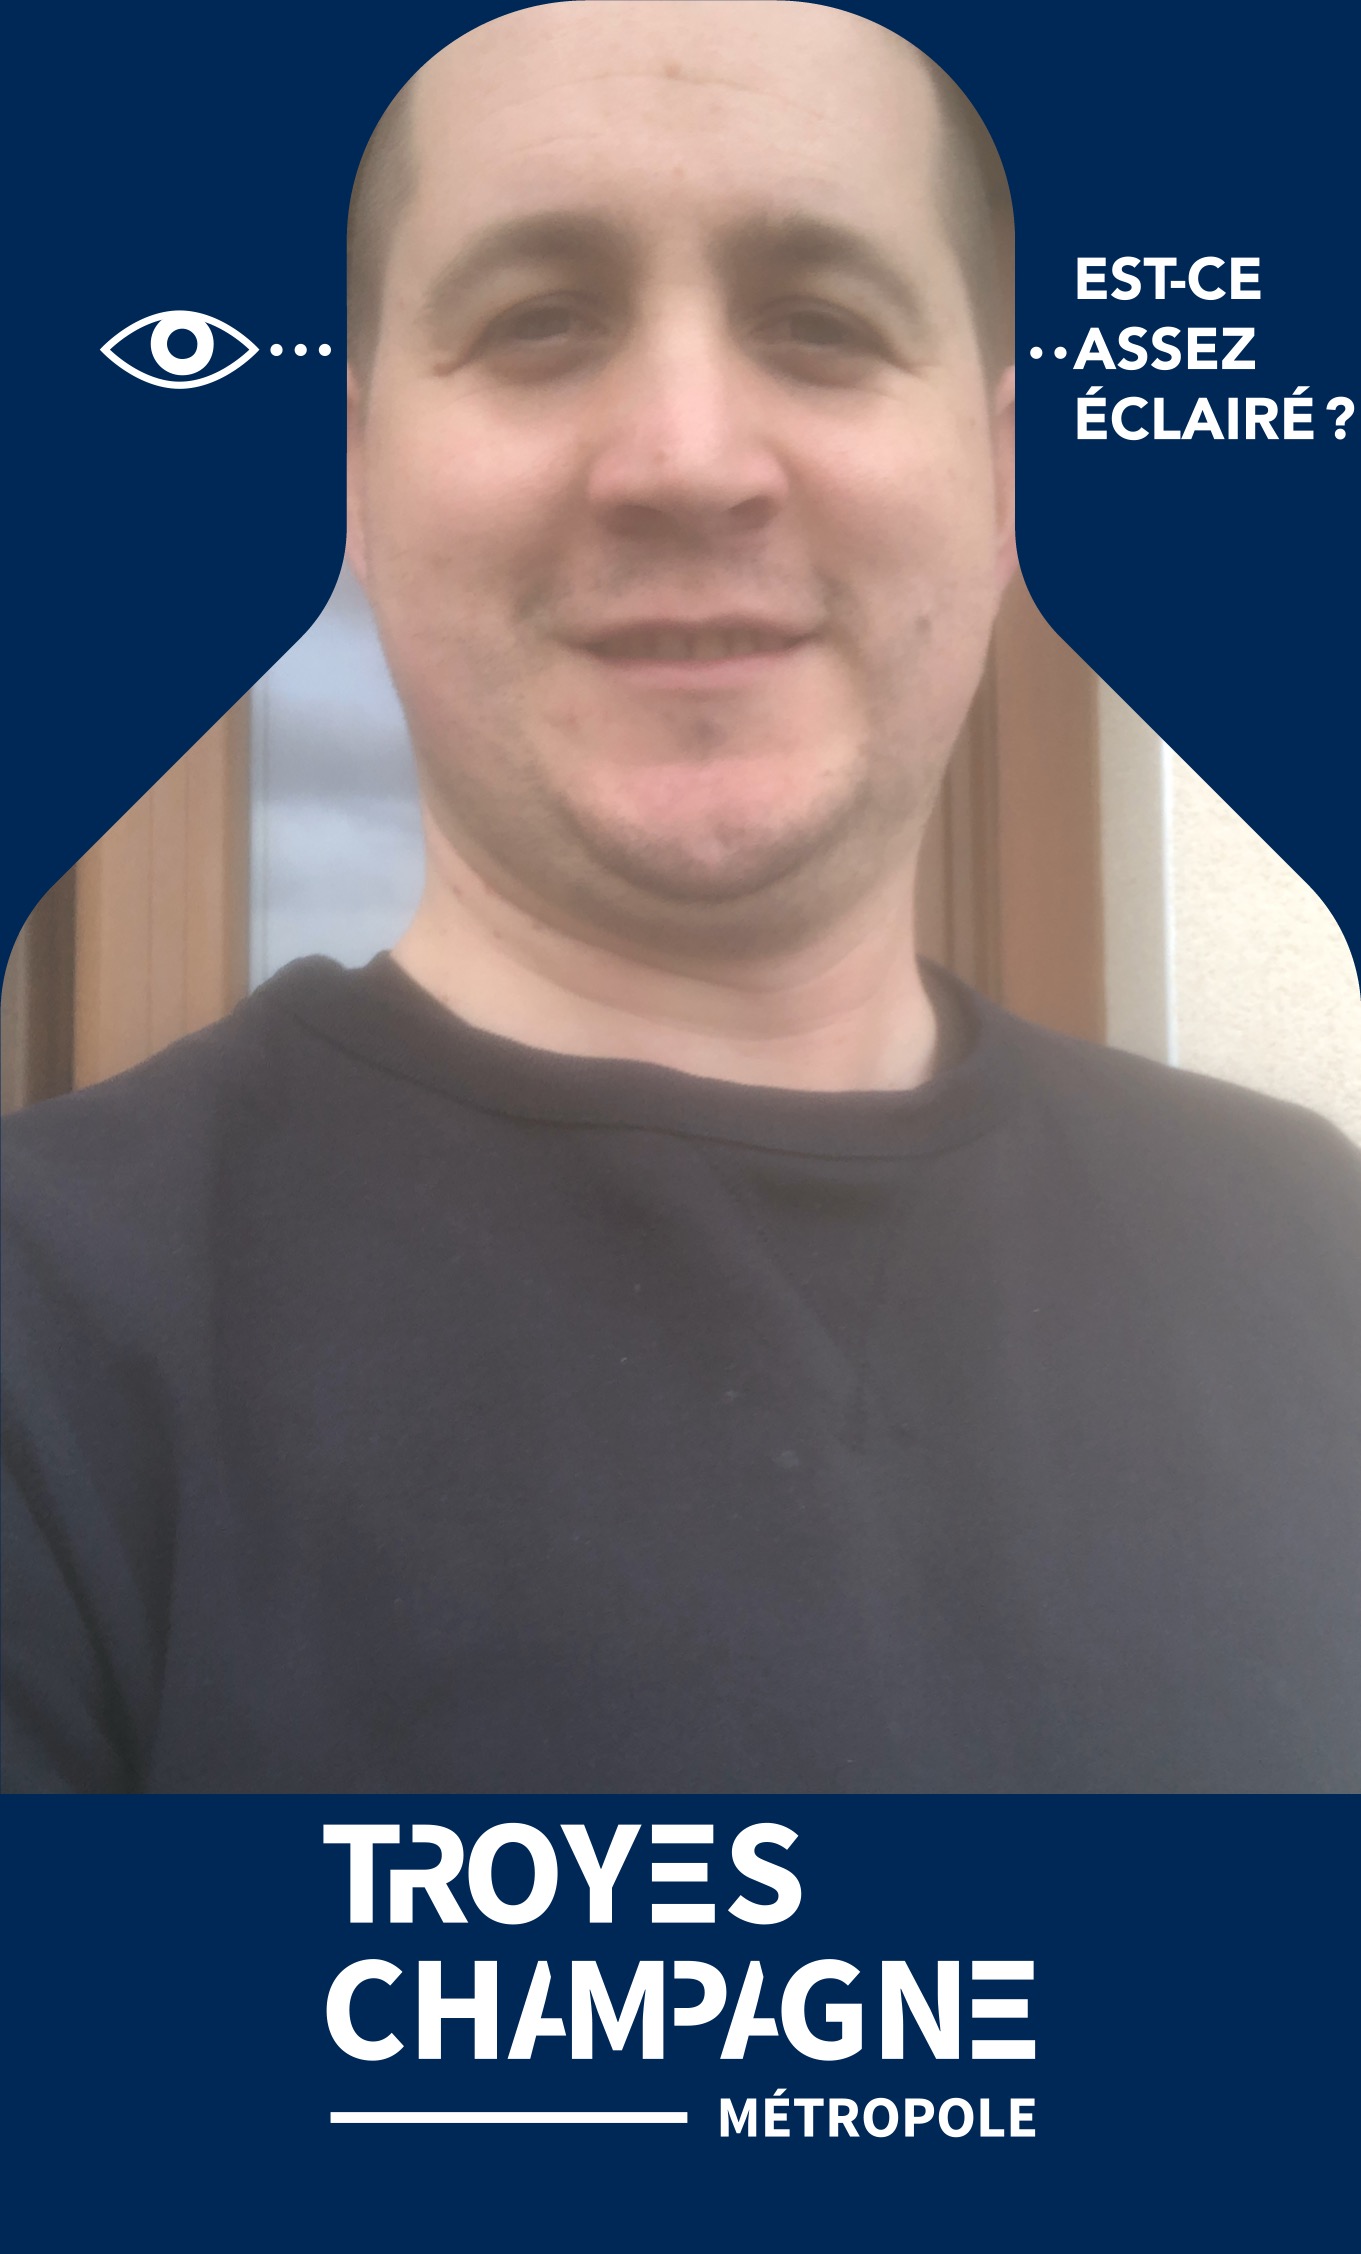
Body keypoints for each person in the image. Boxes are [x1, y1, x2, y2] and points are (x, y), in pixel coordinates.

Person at [3, 3, 1358, 1795]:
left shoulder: (1312, 1249)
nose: (687, 459)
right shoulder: (42, 1339)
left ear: (1000, 470)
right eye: (538, 319)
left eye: (821, 323)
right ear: (351, 468)